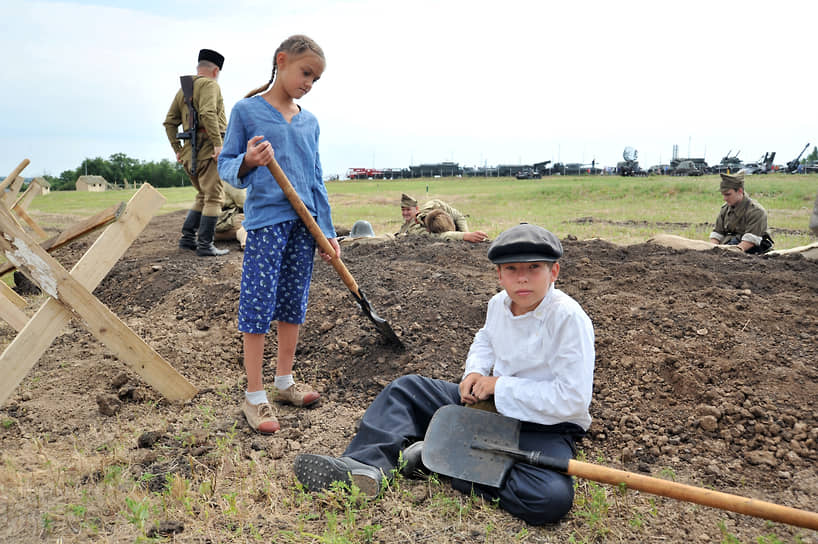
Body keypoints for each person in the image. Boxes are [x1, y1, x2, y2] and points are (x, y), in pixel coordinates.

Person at [294, 223, 596, 525]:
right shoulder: (499, 304)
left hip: (543, 426)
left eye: (534, 268)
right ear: (499, 274)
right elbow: (486, 339)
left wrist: (498, 386)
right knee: (406, 390)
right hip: (490, 408)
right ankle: (364, 467)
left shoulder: (569, 318)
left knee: (550, 498)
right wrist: (474, 373)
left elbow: (572, 400)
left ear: (554, 272)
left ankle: (439, 464)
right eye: (512, 268)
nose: (522, 278)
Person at [217, 35, 338, 434]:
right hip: (267, 223)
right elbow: (226, 164)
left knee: (292, 302)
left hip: (305, 227)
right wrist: (249, 160)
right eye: (305, 73)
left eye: (316, 79)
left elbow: (316, 179)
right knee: (258, 302)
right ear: (281, 61)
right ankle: (254, 396)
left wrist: (328, 230)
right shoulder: (247, 111)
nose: (309, 83)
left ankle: (284, 381)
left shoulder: (310, 122)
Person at [163, 48, 229, 257]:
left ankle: (187, 239)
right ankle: (205, 245)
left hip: (190, 151)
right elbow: (208, 112)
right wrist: (219, 145)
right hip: (209, 149)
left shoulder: (184, 89)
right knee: (214, 197)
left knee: (203, 194)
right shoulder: (211, 85)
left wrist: (178, 150)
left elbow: (169, 122)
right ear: (216, 70)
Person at [709, 170, 773, 254]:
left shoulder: (756, 211)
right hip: (728, 246)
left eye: (728, 194)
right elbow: (717, 233)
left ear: (740, 191)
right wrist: (712, 249)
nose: (724, 198)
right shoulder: (725, 208)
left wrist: (730, 252)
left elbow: (751, 240)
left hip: (750, 251)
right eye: (723, 195)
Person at [398, 193, 488, 242]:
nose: (405, 213)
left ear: (417, 209)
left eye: (408, 210)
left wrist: (467, 233)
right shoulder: (416, 229)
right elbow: (440, 236)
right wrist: (465, 236)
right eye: (403, 210)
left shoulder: (435, 205)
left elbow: (459, 216)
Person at [214, 181, 247, 249]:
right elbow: (243, 202)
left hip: (212, 221)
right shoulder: (232, 179)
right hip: (224, 219)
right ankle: (245, 240)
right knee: (256, 218)